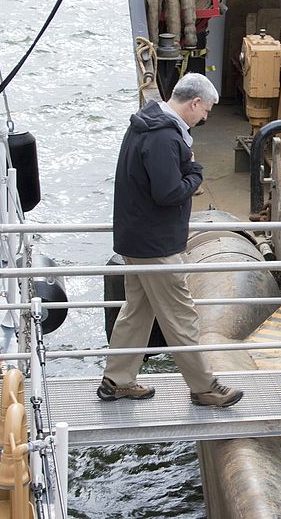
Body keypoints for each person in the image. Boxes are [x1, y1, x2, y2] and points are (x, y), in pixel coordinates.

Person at [98, 73, 243, 408]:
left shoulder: (145, 125)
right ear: (194, 103)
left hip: (136, 239)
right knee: (181, 316)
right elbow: (168, 193)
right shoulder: (164, 137)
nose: (205, 118)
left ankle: (116, 379)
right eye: (205, 110)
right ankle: (204, 387)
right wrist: (194, 174)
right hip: (156, 247)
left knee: (137, 311)